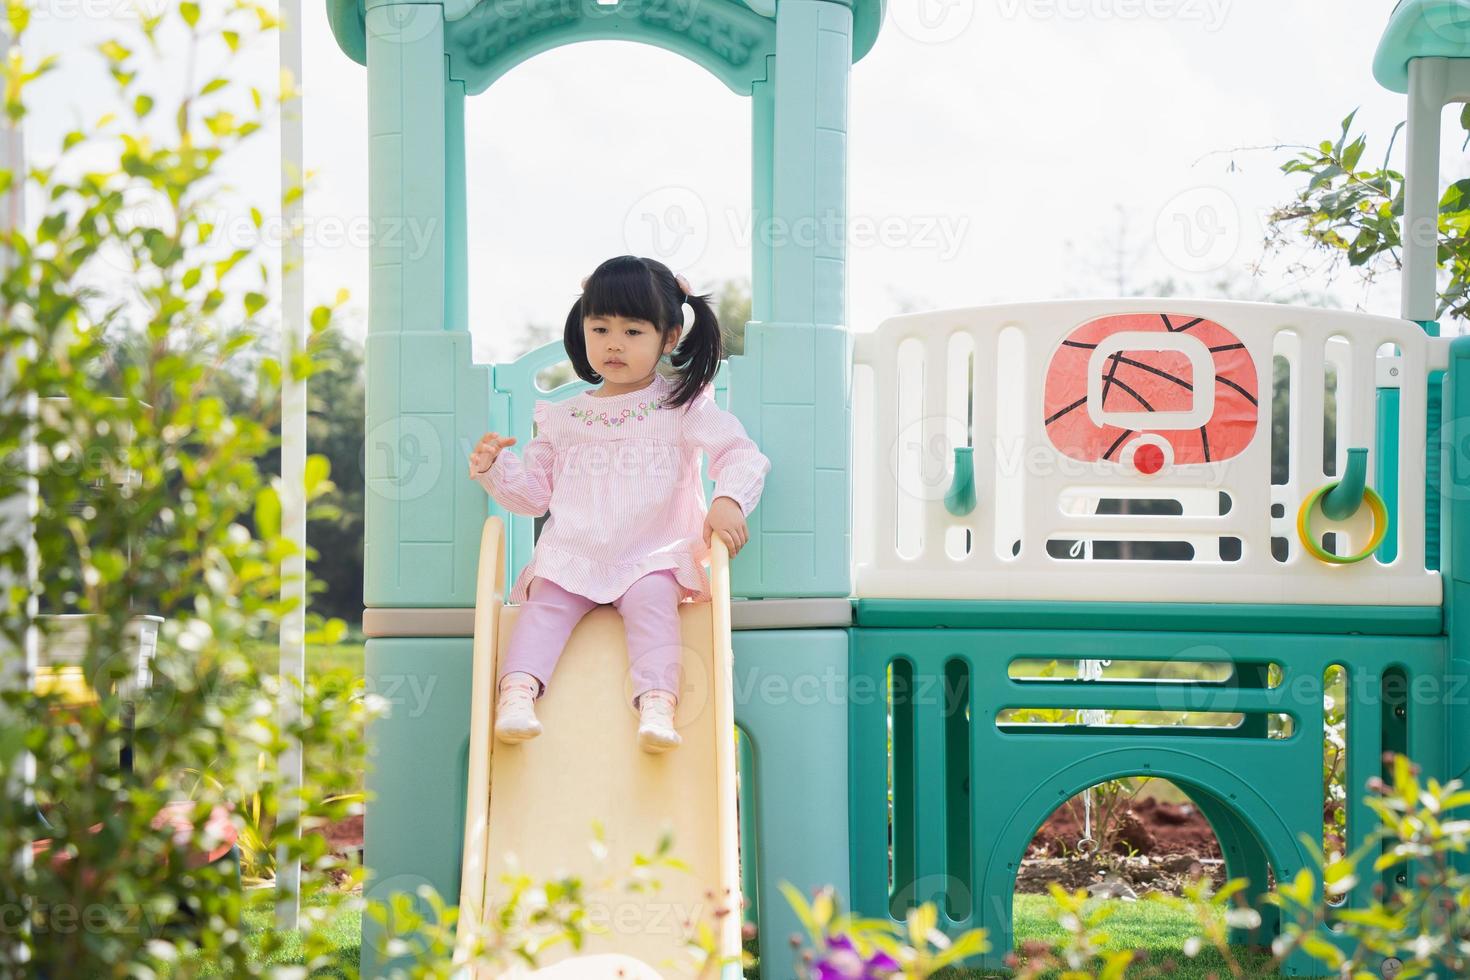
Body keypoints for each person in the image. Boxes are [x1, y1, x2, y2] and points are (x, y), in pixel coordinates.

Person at [469, 255, 770, 753]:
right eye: (600, 327)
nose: (613, 343)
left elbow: (740, 453)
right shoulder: (563, 419)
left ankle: (656, 702)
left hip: (651, 553)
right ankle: (517, 695)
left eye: (633, 332)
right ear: (582, 330)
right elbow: (533, 496)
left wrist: (729, 501)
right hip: (575, 553)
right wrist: (494, 469)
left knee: (654, 604)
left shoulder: (682, 406)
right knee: (543, 606)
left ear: (668, 338)